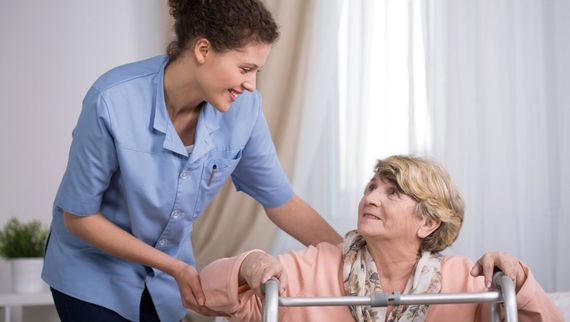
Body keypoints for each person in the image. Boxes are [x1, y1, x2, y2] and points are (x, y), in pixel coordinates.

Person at [41, 1, 341, 321]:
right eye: (245, 69)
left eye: (257, 72)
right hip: (92, 275)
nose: (251, 84)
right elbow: (79, 217)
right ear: (202, 50)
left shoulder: (244, 111)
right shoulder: (112, 100)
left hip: (166, 282)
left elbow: (282, 201)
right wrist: (173, 266)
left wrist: (355, 255)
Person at [200, 155, 563, 322]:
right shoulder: (312, 266)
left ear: (428, 223)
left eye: (393, 193)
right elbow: (211, 297)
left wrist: (517, 280)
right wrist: (247, 264)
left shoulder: (468, 280)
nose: (371, 198)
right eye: (372, 187)